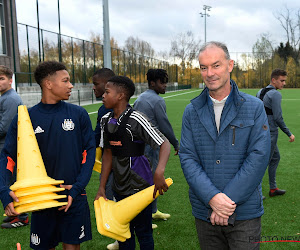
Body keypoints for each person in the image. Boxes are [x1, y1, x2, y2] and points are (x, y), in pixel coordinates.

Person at [179, 41, 271, 249]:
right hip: (205, 213)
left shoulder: (254, 107)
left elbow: (259, 156)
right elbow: (187, 157)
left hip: (244, 213)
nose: (209, 73)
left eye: (216, 65)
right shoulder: (191, 111)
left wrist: (225, 202)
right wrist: (212, 198)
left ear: (230, 65)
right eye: (204, 67)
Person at [0, 61, 96, 249]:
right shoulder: (25, 117)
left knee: (72, 247)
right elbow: (7, 157)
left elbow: (89, 154)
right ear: (48, 84)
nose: (71, 85)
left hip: (72, 196)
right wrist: (4, 191)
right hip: (40, 199)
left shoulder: (79, 114)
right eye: (66, 81)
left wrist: (77, 188)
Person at [95, 76, 170, 250]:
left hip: (140, 187)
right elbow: (107, 154)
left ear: (120, 95)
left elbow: (163, 143)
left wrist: (159, 172)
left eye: (107, 92)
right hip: (118, 187)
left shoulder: (136, 119)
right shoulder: (105, 120)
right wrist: (102, 186)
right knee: (123, 233)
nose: (103, 96)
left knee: (143, 233)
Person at [134, 69, 179, 222]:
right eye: (162, 82)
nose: (165, 85)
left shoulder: (142, 97)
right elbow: (164, 126)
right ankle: (145, 217)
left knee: (148, 178)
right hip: (150, 146)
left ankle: (152, 211)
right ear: (152, 83)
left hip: (139, 144)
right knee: (148, 180)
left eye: (166, 82)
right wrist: (176, 144)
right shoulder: (157, 100)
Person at [257, 69, 295, 197]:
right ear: (274, 80)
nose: (284, 83)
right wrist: (289, 133)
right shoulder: (275, 94)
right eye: (282, 80)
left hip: (260, 131)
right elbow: (278, 118)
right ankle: (255, 193)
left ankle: (273, 189)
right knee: (264, 162)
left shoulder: (260, 92)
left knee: (275, 157)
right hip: (270, 132)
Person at [93, 68, 119, 250]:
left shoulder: (106, 109)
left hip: (116, 166)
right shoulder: (108, 108)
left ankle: (121, 237)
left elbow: (101, 139)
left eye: (96, 84)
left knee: (113, 197)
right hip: (117, 164)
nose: (93, 88)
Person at [0, 65, 28, 229]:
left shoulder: (10, 98)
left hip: (8, 148)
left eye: (2, 78)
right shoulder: (5, 96)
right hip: (6, 148)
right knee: (7, 182)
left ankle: (21, 216)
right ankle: (14, 213)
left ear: (10, 80)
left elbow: (4, 128)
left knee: (9, 182)